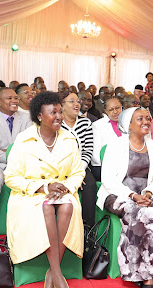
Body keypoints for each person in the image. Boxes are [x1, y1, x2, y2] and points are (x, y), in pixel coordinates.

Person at [4, 92, 84, 288]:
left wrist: (67, 187)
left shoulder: (69, 139)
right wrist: (42, 186)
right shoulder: (24, 140)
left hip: (63, 191)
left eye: (60, 112)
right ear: (39, 116)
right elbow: (11, 177)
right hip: (31, 193)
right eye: (53, 112)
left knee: (68, 207)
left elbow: (78, 172)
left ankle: (52, 272)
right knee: (46, 207)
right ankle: (57, 274)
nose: (58, 116)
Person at [98, 107, 153, 288]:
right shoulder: (115, 145)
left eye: (147, 118)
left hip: (147, 194)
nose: (146, 122)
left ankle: (152, 267)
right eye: (140, 119)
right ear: (129, 124)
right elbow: (108, 180)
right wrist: (133, 196)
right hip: (118, 194)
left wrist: (148, 193)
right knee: (140, 214)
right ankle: (137, 272)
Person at [0, 87, 32, 236]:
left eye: (16, 97)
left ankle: (27, 228)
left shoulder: (27, 118)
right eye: (9, 98)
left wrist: (6, 152)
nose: (14, 101)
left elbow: (29, 148)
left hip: (22, 165)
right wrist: (15, 152)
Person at [59, 91, 96, 226]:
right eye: (72, 101)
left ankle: (87, 229)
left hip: (81, 166)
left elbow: (88, 150)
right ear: (62, 105)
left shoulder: (85, 123)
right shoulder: (56, 124)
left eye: (77, 101)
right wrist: (70, 174)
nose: (77, 104)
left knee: (90, 184)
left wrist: (78, 173)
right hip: (61, 169)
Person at [91, 96, 123, 181]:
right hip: (103, 166)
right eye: (111, 110)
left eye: (117, 108)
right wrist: (111, 167)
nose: (115, 112)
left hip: (124, 165)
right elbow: (95, 155)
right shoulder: (97, 125)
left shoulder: (128, 123)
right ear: (105, 111)